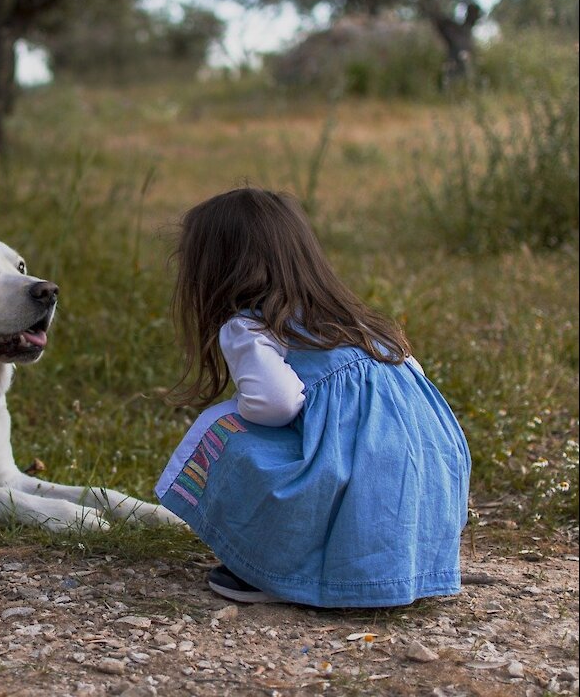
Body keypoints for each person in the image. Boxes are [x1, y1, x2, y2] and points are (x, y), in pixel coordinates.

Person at [154, 187, 471, 608]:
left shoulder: (250, 326)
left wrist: (244, 412)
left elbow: (276, 403)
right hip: (427, 478)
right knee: (350, 452)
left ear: (216, 270)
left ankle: (275, 569)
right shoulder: (355, 321)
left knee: (224, 429)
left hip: (360, 478)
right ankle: (391, 566)